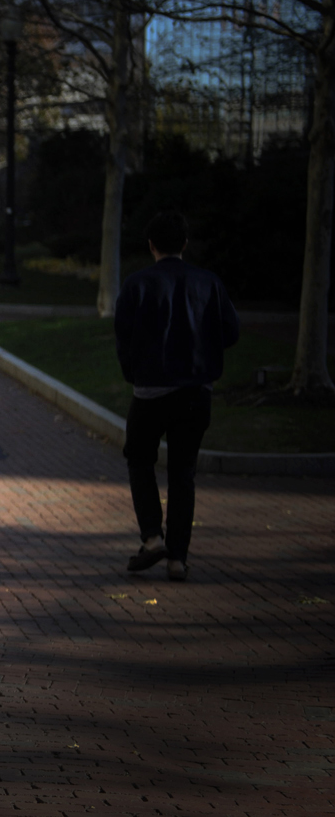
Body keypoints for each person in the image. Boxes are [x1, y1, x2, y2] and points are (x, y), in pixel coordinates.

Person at [115, 211, 239, 582]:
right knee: (183, 472)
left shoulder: (137, 284)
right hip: (196, 391)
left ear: (151, 245)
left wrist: (134, 372)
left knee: (139, 459)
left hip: (151, 391)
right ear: (184, 243)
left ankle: (153, 537)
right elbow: (231, 331)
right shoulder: (208, 283)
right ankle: (178, 559)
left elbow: (123, 337)